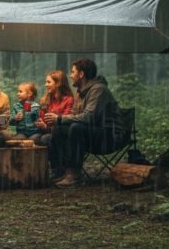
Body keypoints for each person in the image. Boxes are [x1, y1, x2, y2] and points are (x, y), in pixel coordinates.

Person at [43, 59, 124, 188]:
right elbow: (75, 114)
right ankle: (65, 170)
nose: (70, 75)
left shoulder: (99, 89)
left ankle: (76, 176)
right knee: (59, 129)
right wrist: (59, 120)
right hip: (94, 133)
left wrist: (59, 118)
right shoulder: (79, 90)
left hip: (110, 136)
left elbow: (88, 118)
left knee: (76, 128)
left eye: (72, 72)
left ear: (81, 74)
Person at [35, 70, 74, 178]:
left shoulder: (69, 100)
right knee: (35, 138)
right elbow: (43, 119)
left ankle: (60, 168)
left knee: (45, 139)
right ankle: (40, 172)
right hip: (47, 130)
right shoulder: (46, 100)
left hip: (62, 134)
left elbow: (65, 121)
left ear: (58, 83)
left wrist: (51, 123)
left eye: (48, 82)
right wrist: (41, 123)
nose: (45, 85)